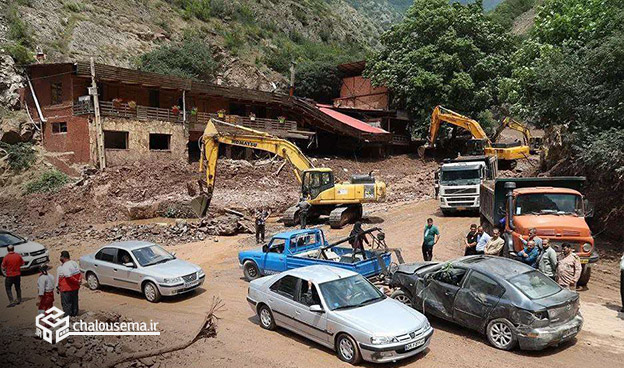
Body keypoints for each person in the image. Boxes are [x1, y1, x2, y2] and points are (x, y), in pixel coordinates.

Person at [56, 251, 82, 317]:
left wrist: (76, 281)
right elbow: (79, 273)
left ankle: (68, 318)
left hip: (66, 289)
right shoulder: (74, 263)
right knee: (75, 302)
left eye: (61, 257)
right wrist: (79, 281)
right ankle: (75, 315)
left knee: (67, 304)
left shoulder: (65, 266)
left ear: (63, 257)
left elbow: (68, 276)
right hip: (75, 288)